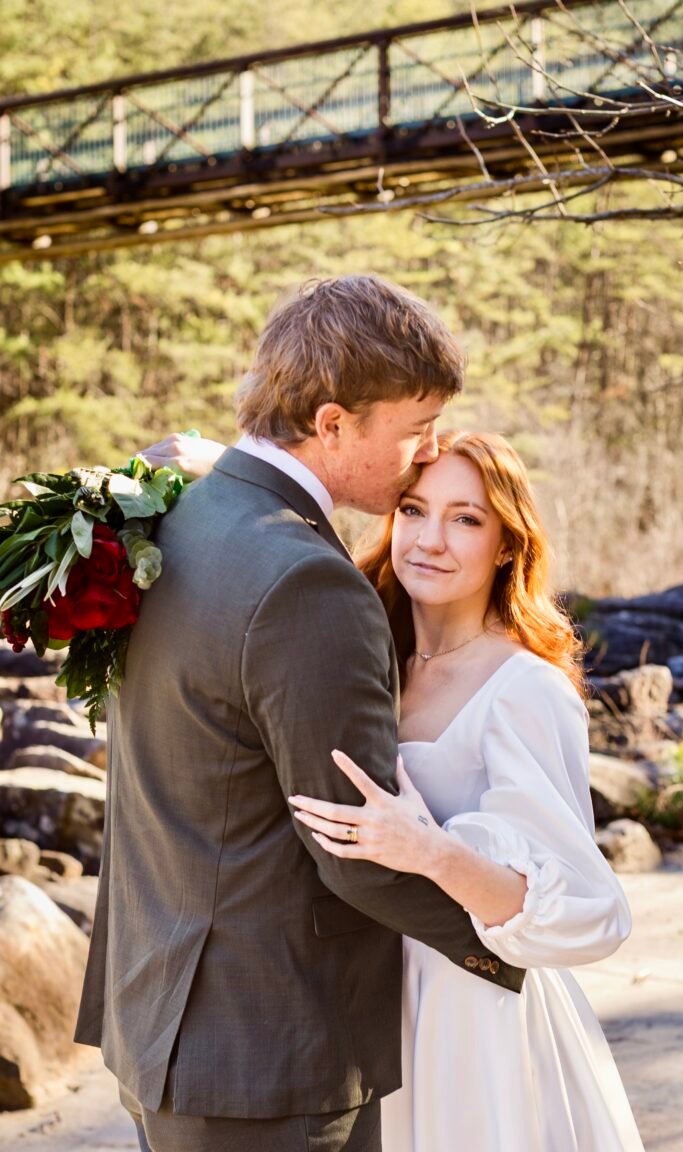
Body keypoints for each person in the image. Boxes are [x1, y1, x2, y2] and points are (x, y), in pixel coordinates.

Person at [74, 276, 527, 1152]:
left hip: (164, 1017)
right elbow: (351, 846)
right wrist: (512, 946)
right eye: (413, 429)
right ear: (331, 424)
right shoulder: (307, 582)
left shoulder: (180, 511)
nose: (426, 455)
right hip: (270, 1058)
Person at [288, 430, 645, 1152]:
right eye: (414, 510)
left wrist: (428, 852)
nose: (430, 539)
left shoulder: (526, 690)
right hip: (359, 1005)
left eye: (466, 519)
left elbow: (592, 912)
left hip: (474, 1021)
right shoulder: (365, 655)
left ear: (508, 544)